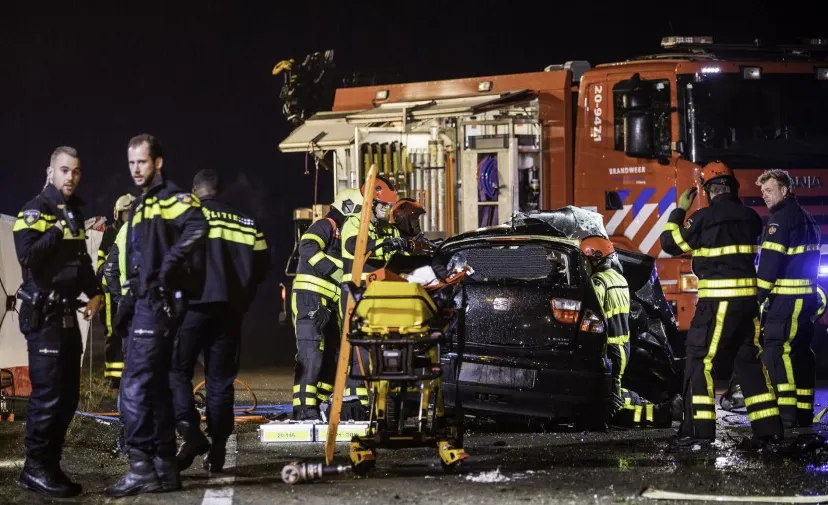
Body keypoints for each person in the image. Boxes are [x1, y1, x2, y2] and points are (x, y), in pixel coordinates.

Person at [106, 134, 208, 497]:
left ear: (158, 163)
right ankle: (166, 468)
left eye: (142, 162)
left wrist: (168, 267)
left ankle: (140, 467)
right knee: (161, 387)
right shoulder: (141, 204)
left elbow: (198, 226)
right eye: (131, 162)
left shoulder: (171, 199)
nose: (136, 169)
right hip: (144, 304)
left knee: (133, 387)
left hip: (156, 305)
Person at [659, 161, 783, 449]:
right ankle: (769, 430)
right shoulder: (751, 217)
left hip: (717, 303)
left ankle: (699, 432)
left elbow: (670, 242)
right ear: (733, 187)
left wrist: (680, 209)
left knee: (700, 361)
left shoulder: (703, 218)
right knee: (750, 362)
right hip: (748, 305)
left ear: (707, 190)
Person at [14, 146, 103, 498]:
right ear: (50, 172)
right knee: (48, 397)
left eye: (76, 171)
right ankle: (34, 468)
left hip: (69, 317)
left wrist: (94, 293)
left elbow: (81, 263)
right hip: (44, 318)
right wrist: (57, 230)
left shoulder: (74, 214)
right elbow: (27, 256)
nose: (71, 177)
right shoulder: (35, 210)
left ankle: (49, 464)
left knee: (67, 397)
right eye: (64, 170)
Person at [170, 169, 270, 472]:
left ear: (195, 190)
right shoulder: (246, 222)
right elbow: (262, 266)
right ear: (220, 191)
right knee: (219, 382)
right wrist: (242, 296)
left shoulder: (185, 217)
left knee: (175, 371)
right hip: (230, 311)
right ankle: (217, 451)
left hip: (192, 308)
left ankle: (190, 432)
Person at [581, 236, 681, 429]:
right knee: (615, 390)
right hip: (623, 346)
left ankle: (663, 413)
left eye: (586, 260)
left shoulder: (598, 282)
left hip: (609, 349)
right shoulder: (620, 279)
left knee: (614, 410)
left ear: (595, 258)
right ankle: (647, 403)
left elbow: (592, 312)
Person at [339, 176, 412, 419]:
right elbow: (355, 247)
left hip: (379, 294)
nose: (388, 210)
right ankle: (358, 407)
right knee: (360, 350)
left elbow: (395, 253)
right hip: (356, 293)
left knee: (380, 348)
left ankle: (379, 404)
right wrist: (385, 242)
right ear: (371, 204)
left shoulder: (384, 228)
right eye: (384, 206)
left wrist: (405, 245)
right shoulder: (354, 223)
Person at [755, 169, 821, 429]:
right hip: (806, 300)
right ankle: (803, 413)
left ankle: (786, 414)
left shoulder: (779, 222)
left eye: (769, 191)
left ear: (784, 190)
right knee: (801, 354)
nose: (765, 196)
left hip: (786, 301)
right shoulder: (808, 219)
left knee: (776, 351)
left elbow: (768, 270)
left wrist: (755, 300)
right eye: (762, 192)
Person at [291, 188, 363, 420]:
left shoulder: (344, 232)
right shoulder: (327, 224)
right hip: (311, 298)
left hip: (328, 304)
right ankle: (304, 408)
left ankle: (321, 402)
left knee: (332, 354)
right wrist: (338, 270)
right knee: (311, 352)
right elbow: (307, 247)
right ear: (349, 207)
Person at [98, 193, 136, 388]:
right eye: (125, 213)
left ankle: (125, 377)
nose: (127, 216)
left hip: (124, 294)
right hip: (111, 291)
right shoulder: (111, 233)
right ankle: (113, 376)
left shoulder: (133, 232)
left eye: (131, 212)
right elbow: (102, 265)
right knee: (113, 331)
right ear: (117, 214)